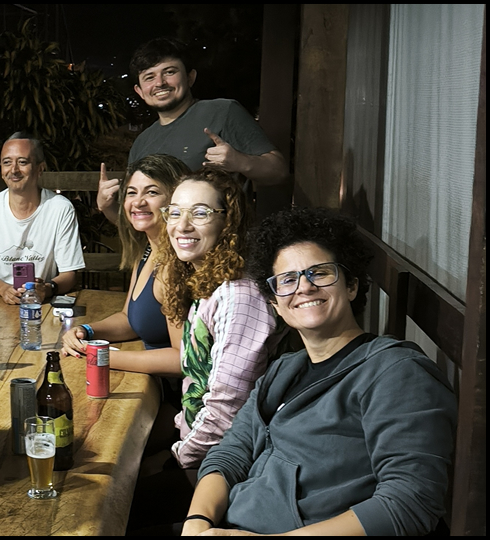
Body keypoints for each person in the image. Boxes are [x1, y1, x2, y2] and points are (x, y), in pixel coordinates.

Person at [181, 207, 457, 536]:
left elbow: (410, 503)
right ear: (274, 303)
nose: (304, 287)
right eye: (287, 279)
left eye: (320, 273)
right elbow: (230, 454)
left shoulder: (396, 372)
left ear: (351, 286)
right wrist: (197, 522)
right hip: (229, 524)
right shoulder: (284, 370)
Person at [127, 169, 285, 534]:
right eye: (175, 212)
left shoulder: (239, 295)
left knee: (111, 508)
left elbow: (226, 410)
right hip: (200, 451)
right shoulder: (207, 284)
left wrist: (175, 458)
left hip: (230, 468)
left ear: (228, 221)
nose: (182, 225)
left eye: (200, 213)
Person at [59, 154, 187, 460]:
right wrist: (87, 331)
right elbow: (130, 318)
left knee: (84, 446)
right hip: (151, 389)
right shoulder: (148, 250)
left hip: (176, 404)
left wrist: (105, 357)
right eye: (131, 192)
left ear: (176, 200)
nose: (138, 202)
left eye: (152, 192)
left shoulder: (173, 267)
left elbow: (182, 359)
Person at [96, 36, 288, 223]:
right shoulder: (141, 143)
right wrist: (107, 207)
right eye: (149, 77)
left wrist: (239, 161)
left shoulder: (223, 111)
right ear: (139, 91)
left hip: (222, 242)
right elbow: (138, 222)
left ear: (190, 77)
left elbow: (278, 172)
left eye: (169, 72)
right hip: (163, 245)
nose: (160, 83)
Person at [0, 132, 85, 305]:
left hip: (43, 303)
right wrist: (3, 289)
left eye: (22, 162)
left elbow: (69, 274)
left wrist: (46, 289)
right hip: (0, 301)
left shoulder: (60, 208)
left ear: (40, 168)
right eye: (7, 162)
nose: (14, 170)